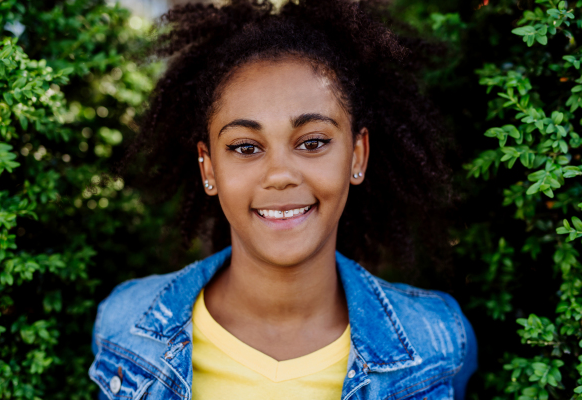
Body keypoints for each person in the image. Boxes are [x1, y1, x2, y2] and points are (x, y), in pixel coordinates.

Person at [88, 1, 477, 399]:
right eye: (244, 147)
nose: (279, 174)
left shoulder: (439, 340)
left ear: (357, 156)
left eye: (312, 142)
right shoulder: (125, 325)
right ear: (208, 169)